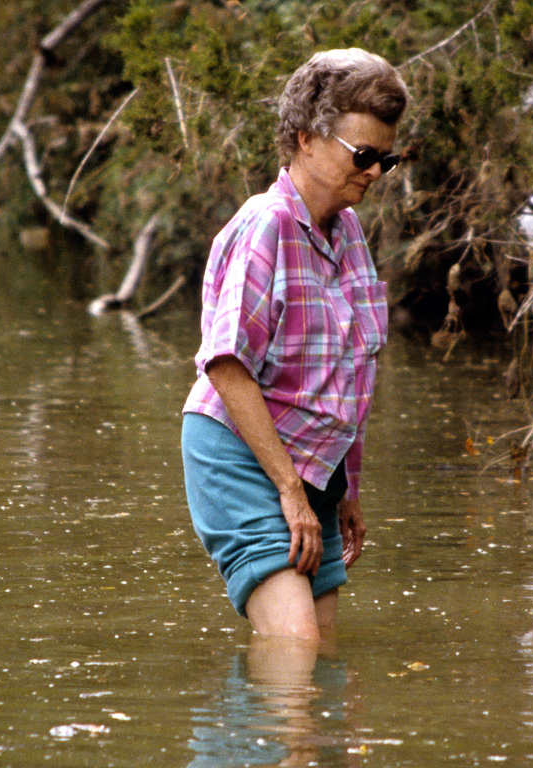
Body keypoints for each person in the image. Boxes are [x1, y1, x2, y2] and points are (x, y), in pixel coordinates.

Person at [181, 48, 408, 643]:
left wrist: (346, 491)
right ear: (307, 139)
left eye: (386, 158)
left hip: (316, 466)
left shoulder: (349, 231)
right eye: (364, 155)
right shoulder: (268, 224)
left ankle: (279, 740)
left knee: (323, 660)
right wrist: (288, 489)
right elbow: (226, 366)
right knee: (296, 647)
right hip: (241, 451)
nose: (376, 172)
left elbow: (351, 375)